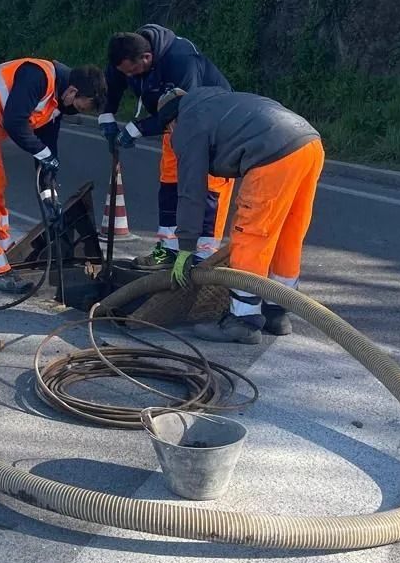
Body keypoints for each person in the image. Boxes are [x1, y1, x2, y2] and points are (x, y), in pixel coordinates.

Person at [149, 86, 325, 343]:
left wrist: (185, 247)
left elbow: (191, 192)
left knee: (250, 233)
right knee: (288, 232)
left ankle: (244, 321)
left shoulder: (187, 126)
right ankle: (276, 311)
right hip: (309, 143)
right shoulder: (213, 101)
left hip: (273, 154)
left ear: (170, 122)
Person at [0, 59, 105, 294]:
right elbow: (15, 123)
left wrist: (50, 197)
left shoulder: (54, 105)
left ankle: (4, 249)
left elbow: (46, 152)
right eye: (80, 106)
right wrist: (45, 155)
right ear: (72, 91)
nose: (76, 112)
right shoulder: (36, 76)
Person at [100, 27, 233, 267]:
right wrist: (107, 117)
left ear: (147, 58)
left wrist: (136, 128)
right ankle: (168, 249)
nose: (130, 76)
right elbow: (114, 84)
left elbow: (184, 106)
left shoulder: (182, 60)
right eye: (126, 72)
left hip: (211, 125)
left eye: (133, 71)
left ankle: (203, 255)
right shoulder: (126, 57)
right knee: (170, 183)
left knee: (210, 188)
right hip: (173, 126)